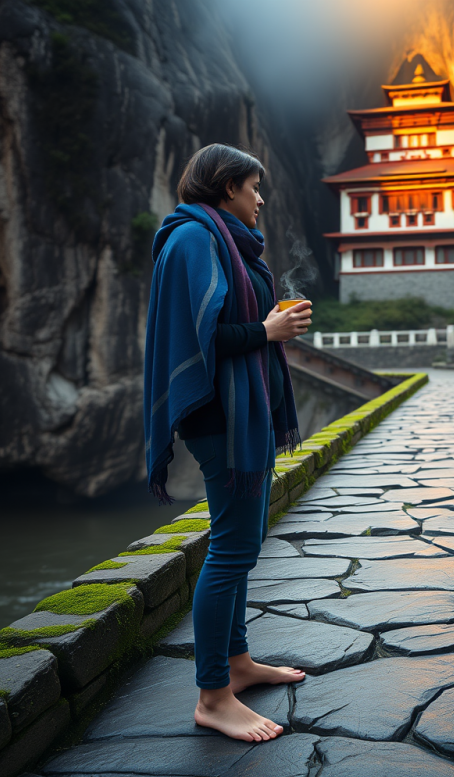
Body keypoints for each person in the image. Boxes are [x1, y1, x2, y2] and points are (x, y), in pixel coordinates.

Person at [143, 143, 311, 742]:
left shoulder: (221, 238)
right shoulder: (193, 238)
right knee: (232, 552)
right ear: (225, 188)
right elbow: (201, 337)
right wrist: (268, 329)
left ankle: (237, 664)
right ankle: (213, 695)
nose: (261, 198)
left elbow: (226, 327)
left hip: (243, 415)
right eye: (252, 186)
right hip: (220, 418)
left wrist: (271, 328)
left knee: (240, 544)